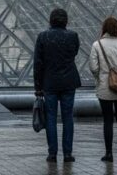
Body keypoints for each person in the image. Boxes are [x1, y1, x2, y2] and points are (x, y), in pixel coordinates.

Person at [33, 8, 82, 163]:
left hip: (49, 83)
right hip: (68, 82)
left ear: (51, 20)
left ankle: (52, 154)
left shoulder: (43, 37)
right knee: (68, 118)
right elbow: (74, 53)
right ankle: (67, 154)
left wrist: (37, 86)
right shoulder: (73, 36)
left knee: (51, 119)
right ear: (66, 21)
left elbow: (38, 64)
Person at [88, 16, 117, 162]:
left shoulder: (97, 45)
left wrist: (100, 77)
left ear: (104, 29)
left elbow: (94, 67)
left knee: (108, 120)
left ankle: (109, 154)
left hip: (105, 87)